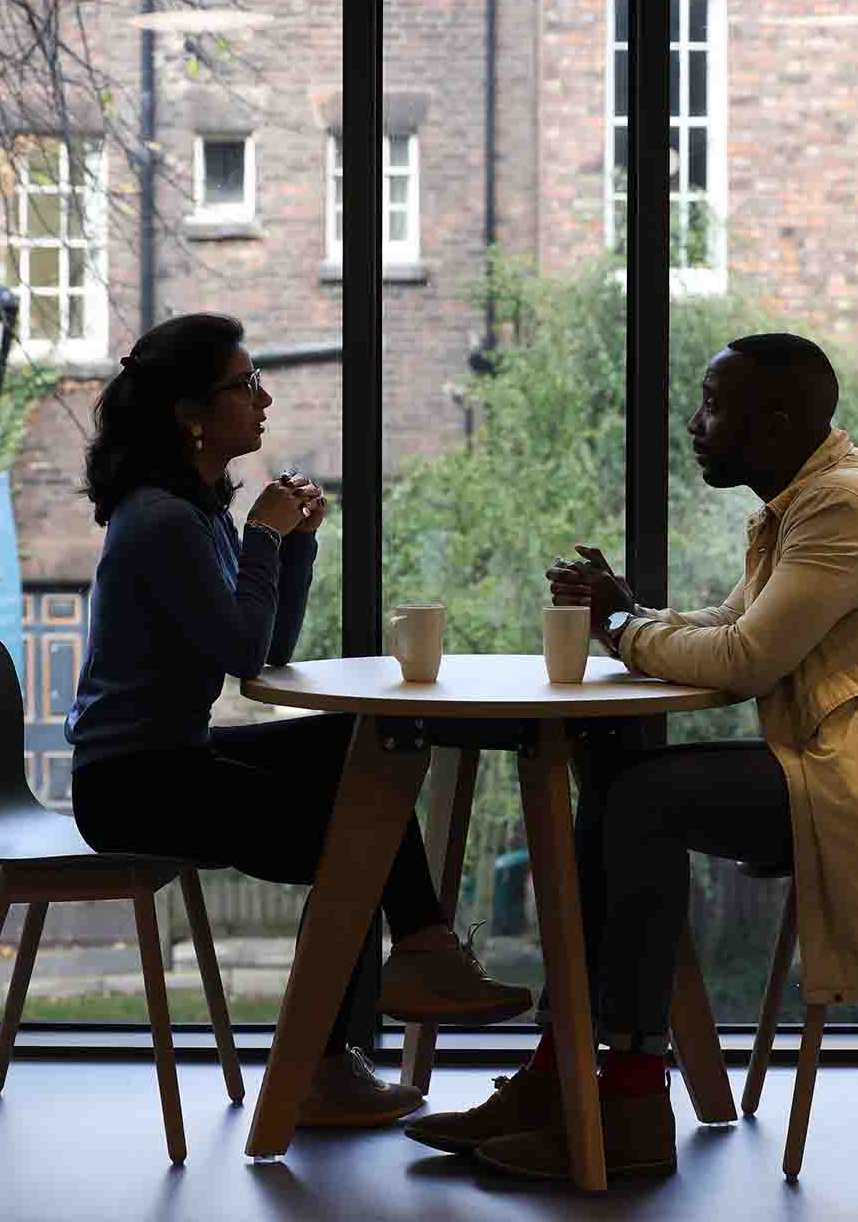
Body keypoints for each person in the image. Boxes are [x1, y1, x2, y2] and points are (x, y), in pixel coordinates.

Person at [406, 331, 858, 1180]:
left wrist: (624, 628)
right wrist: (633, 612)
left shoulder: (842, 509)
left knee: (640, 800)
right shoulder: (806, 504)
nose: (695, 423)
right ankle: (562, 1079)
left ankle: (626, 1098)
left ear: (772, 420)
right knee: (622, 783)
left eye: (711, 403)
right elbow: (733, 628)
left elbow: (742, 663)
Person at [65, 312, 531, 1129]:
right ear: (190, 413)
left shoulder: (192, 512)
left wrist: (293, 546)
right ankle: (330, 1057)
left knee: (355, 744)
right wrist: (264, 537)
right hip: (131, 786)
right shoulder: (163, 521)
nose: (265, 397)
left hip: (166, 758)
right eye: (245, 385)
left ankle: (417, 956)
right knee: (355, 821)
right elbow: (248, 653)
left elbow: (266, 651)